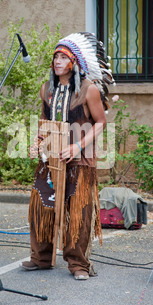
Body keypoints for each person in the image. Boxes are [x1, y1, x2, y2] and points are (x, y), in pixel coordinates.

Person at [21, 32, 115, 280]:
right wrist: (37, 143)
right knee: (41, 203)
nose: (58, 61)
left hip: (80, 158)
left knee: (79, 212)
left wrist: (78, 147)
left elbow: (100, 122)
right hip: (51, 156)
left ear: (74, 62)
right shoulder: (47, 90)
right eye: (55, 57)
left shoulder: (88, 90)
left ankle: (78, 264)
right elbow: (44, 122)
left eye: (63, 57)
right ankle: (41, 257)